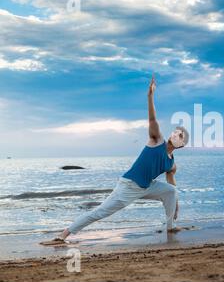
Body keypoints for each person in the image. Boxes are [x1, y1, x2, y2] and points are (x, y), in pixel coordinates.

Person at [43, 74, 189, 245]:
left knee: (171, 192)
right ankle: (63, 235)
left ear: (182, 145)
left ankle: (171, 226)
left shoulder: (171, 164)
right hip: (128, 186)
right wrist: (150, 96)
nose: (175, 134)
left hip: (147, 187)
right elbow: (152, 119)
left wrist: (176, 205)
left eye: (180, 135)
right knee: (100, 212)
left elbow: (171, 187)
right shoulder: (156, 140)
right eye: (175, 131)